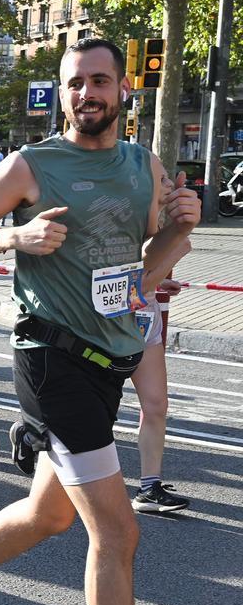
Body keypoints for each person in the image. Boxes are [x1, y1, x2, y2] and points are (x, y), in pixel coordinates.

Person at [0, 38, 200, 605]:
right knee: (118, 532)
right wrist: (11, 237)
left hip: (111, 361)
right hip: (52, 360)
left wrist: (179, 232)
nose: (86, 94)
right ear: (62, 91)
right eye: (75, 83)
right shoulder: (32, 163)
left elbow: (139, 266)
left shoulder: (142, 165)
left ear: (124, 89)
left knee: (48, 514)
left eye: (99, 81)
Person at [130, 170, 192, 514]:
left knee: (155, 405)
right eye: (163, 179)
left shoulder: (161, 225)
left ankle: (149, 487)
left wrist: (156, 286)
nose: (171, 186)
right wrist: (177, 249)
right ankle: (34, 430)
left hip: (146, 322)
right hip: (109, 329)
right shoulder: (125, 223)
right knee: (92, 412)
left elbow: (143, 285)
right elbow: (129, 288)